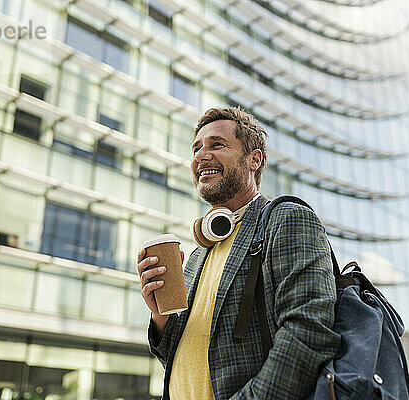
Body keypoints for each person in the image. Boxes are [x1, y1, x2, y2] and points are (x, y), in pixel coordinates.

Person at [137, 107, 340, 399]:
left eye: (216, 145)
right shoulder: (198, 256)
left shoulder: (285, 220)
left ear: (253, 159)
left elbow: (309, 332)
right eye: (196, 149)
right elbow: (177, 356)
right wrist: (160, 318)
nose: (200, 156)